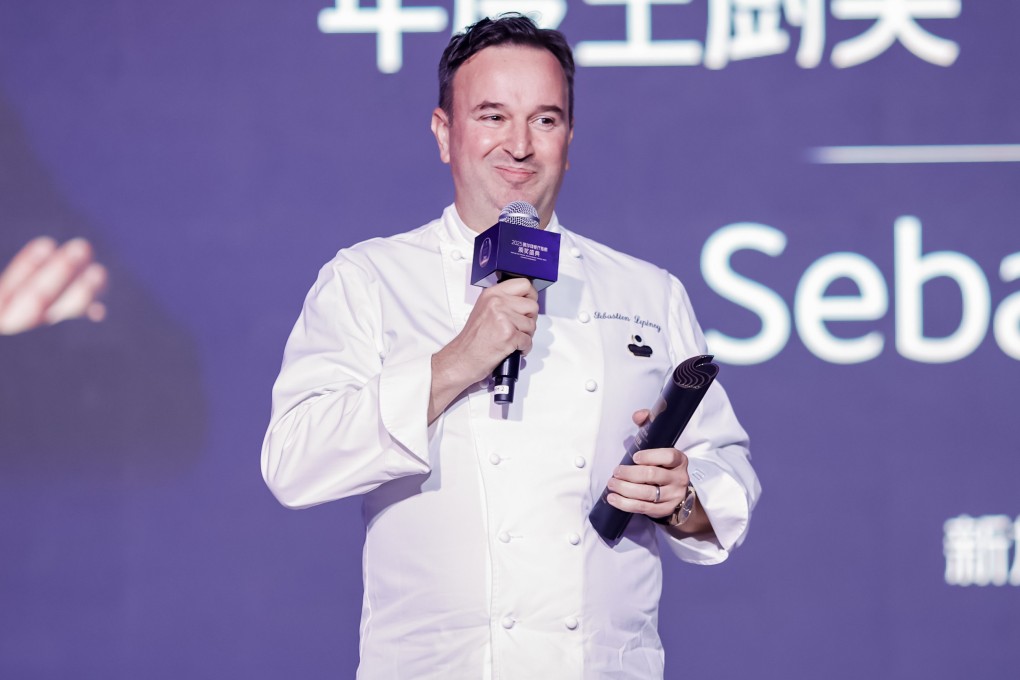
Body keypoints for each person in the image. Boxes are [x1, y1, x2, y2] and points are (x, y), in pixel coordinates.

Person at [262, 14, 760, 679]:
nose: (519, 145)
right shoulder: (371, 279)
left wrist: (683, 501)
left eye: (545, 120)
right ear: (445, 133)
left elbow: (728, 472)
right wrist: (454, 365)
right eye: (492, 116)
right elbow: (293, 458)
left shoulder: (647, 290)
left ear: (570, 139)